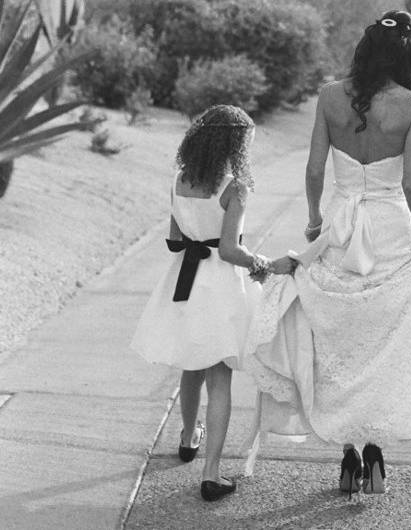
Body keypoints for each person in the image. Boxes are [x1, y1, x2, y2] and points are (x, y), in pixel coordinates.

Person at [242, 10, 411, 498]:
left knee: (337, 342)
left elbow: (314, 169)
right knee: (384, 347)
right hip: (392, 236)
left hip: (340, 230)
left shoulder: (329, 95)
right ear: (410, 56)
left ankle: (346, 457)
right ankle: (376, 455)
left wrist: (314, 221)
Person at [130, 105, 295, 502]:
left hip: (184, 283)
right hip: (219, 288)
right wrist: (266, 264)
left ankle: (189, 438)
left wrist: (193, 233)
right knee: (220, 378)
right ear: (234, 144)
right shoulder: (234, 187)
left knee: (192, 365)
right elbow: (228, 250)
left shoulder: (179, 178)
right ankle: (212, 473)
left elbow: (173, 238)